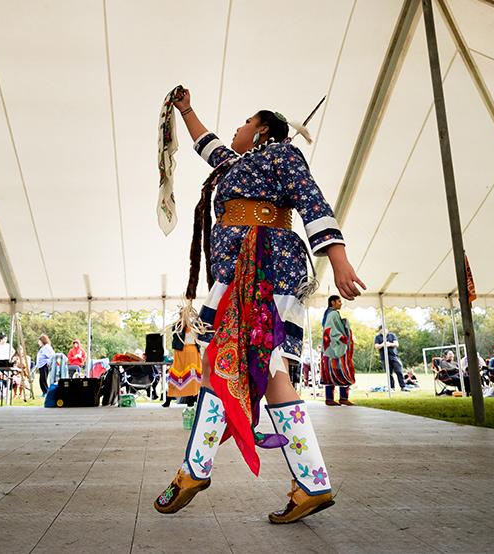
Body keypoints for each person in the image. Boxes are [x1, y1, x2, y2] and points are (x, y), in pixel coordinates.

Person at [153, 89, 364, 524]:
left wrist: (338, 259)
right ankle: (305, 481)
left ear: (263, 129)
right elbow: (206, 143)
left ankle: (198, 471)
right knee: (242, 367)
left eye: (245, 121)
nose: (236, 128)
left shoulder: (283, 157)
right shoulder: (234, 164)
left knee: (257, 368)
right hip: (237, 274)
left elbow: (311, 200)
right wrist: (185, 110)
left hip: (265, 268)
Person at [321, 295, 355, 406]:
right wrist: (344, 338)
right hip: (335, 348)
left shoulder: (328, 313)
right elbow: (332, 331)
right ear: (332, 302)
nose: (341, 303)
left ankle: (329, 399)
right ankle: (343, 398)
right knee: (342, 370)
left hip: (328, 349)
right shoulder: (333, 314)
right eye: (339, 301)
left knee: (330, 372)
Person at [374, 326, 406, 391]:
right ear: (380, 330)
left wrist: (390, 344)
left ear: (387, 330)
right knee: (389, 373)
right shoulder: (378, 337)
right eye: (381, 330)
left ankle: (403, 387)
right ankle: (392, 387)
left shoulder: (392, 335)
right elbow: (376, 346)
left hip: (394, 356)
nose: (383, 331)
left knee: (399, 371)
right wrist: (382, 344)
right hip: (384, 357)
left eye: (384, 329)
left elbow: (396, 344)